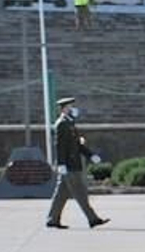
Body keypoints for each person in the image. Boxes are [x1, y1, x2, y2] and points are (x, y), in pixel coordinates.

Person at [44, 96, 109, 229]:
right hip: (69, 165)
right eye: (70, 107)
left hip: (72, 164)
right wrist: (61, 164)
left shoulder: (69, 123)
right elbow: (59, 145)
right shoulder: (62, 123)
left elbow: (77, 144)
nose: (73, 109)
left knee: (61, 194)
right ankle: (93, 219)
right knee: (80, 192)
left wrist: (91, 155)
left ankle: (52, 219)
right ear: (64, 109)